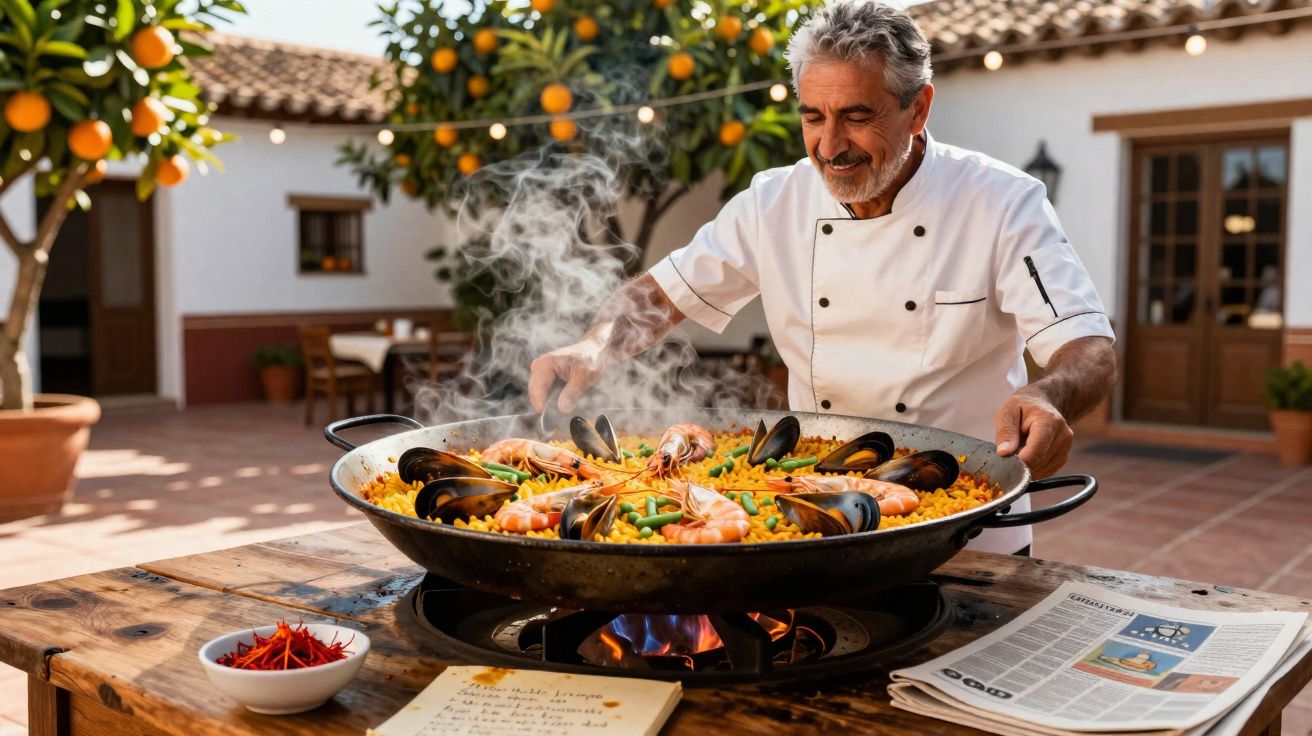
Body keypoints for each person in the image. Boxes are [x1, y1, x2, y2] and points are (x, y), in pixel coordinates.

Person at [528, 0, 1117, 555]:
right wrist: (595, 344)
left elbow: (1086, 344)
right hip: (819, 517)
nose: (830, 146)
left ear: (919, 108)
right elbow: (662, 294)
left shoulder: (1001, 200)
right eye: (813, 116)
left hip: (965, 523)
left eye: (857, 117)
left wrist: (1049, 394)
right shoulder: (772, 202)